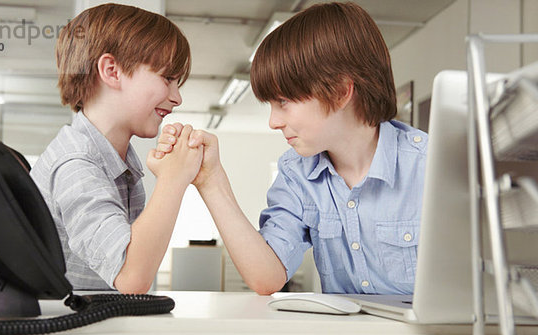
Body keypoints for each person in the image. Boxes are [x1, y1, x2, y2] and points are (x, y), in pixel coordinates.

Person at [155, 2, 427, 295]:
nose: (273, 122)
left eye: (283, 102)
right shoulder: (296, 172)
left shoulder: (432, 167)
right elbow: (266, 278)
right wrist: (211, 181)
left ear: (339, 92)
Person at [30, 4, 203, 294]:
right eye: (167, 78)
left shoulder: (113, 159)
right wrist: (173, 179)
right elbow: (131, 278)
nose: (177, 98)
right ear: (112, 71)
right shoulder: (76, 164)